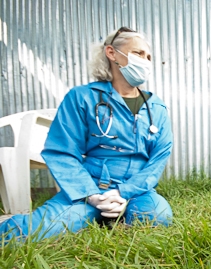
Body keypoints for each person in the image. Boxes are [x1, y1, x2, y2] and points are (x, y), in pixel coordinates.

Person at [0, 27, 173, 246]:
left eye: (148, 57)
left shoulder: (156, 106)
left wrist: (124, 192)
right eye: (138, 53)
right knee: (38, 230)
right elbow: (61, 151)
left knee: (157, 218)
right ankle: (94, 213)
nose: (146, 61)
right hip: (92, 187)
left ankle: (112, 216)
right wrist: (91, 195)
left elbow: (158, 158)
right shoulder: (81, 97)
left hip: (137, 190)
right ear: (111, 53)